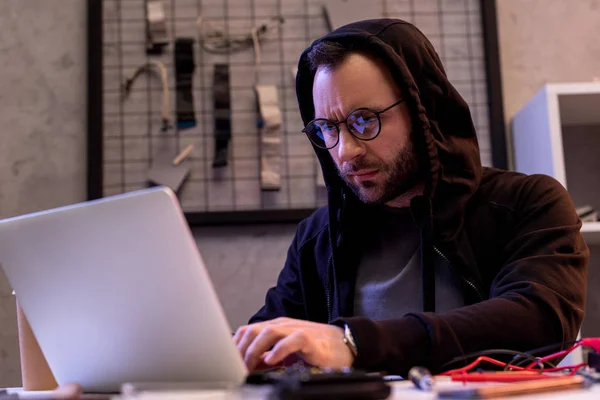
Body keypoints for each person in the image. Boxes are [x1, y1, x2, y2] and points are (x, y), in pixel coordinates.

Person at [233, 18, 589, 376]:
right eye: (328, 128)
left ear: (424, 111)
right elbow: (269, 342)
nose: (345, 151)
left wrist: (353, 343)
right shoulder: (317, 237)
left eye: (364, 120)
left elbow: (540, 322)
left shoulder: (527, 204)